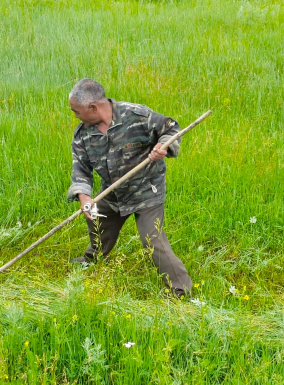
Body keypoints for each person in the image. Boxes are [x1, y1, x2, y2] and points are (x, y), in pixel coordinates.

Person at [66, 78, 192, 297]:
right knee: (97, 222)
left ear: (93, 108)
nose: (75, 115)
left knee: (152, 240)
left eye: (76, 111)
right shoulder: (82, 135)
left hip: (146, 191)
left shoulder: (136, 116)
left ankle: (181, 289)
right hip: (113, 192)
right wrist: (84, 197)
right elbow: (81, 169)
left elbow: (171, 129)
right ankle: (92, 259)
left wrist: (163, 146)